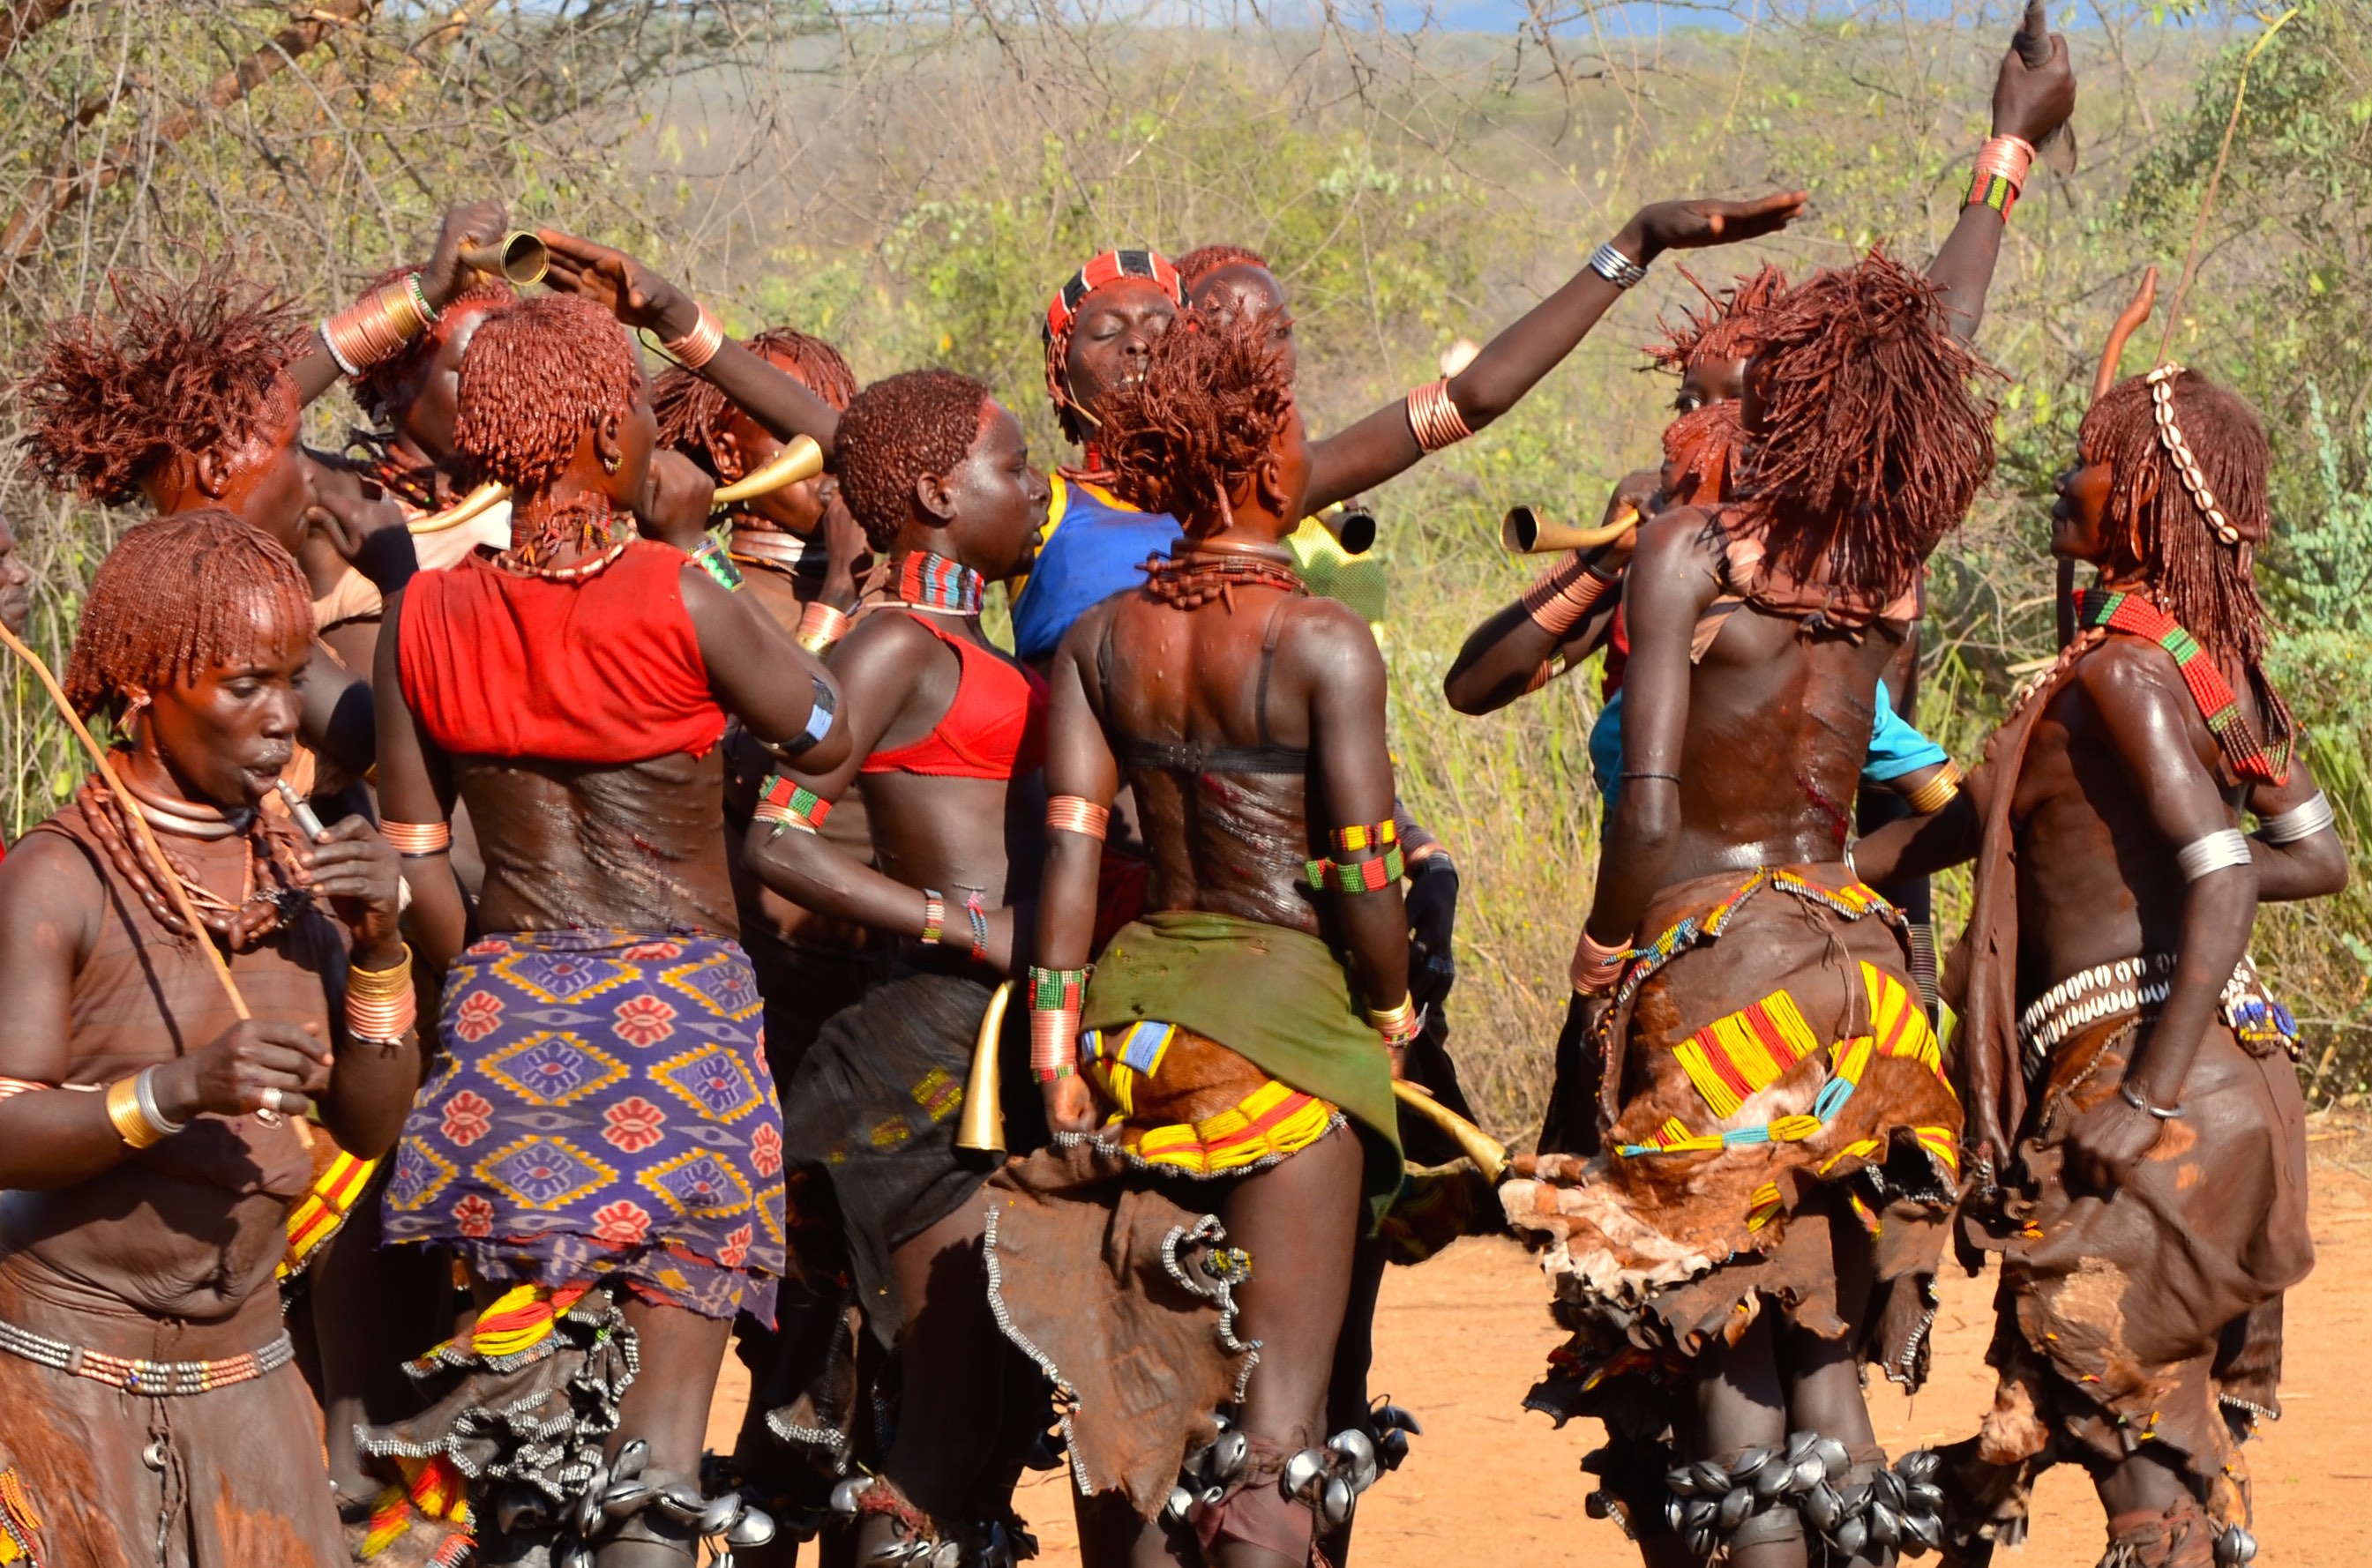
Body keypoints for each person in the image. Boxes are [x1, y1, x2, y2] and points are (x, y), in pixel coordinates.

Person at [1496, 243, 2002, 1568]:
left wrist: (1604, 961)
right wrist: (1999, 166)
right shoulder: (1886, 565)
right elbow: (1939, 339)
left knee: (1730, 1371)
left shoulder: (1691, 551)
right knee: (1823, 1368)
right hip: (1869, 985)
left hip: (1720, 979)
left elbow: (1649, 814)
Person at [1850, 286, 2344, 1568]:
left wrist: (2148, 1085)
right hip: (2184, 1082)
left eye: (2088, 462)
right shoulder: (2173, 662)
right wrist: (1816, 879)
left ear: (2138, 493)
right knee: (2083, 1436)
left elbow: (2244, 875)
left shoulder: (2128, 672)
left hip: (2156, 1097)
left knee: (2140, 1474)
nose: (2061, 482)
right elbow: (2311, 849)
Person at [360, 291, 850, 1568]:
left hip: (507, 1040)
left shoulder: (419, 616)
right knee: (656, 1460)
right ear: (593, 433)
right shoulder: (680, 595)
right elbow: (826, 726)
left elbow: (419, 869)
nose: (648, 425)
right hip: (683, 1032)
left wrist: (490, 990)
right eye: (631, 404)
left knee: (528, 1447)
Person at [981, 305, 1411, 1568]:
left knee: (1151, 1429)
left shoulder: (1107, 641)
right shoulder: (1320, 638)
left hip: (1128, 1031)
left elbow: (1069, 849)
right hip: (1281, 1035)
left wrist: (1055, 1049)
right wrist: (1386, 1009)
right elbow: (1360, 869)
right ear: (1276, 470)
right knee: (1274, 1454)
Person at [0, 511, 419, 1567]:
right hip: (64, 1366)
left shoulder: (294, 866)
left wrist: (379, 944)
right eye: (245, 686)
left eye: (293, 680)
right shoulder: (60, 874)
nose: (284, 721)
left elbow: (369, 1125)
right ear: (144, 686)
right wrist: (175, 1091)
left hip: (248, 1372)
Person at [735, 369, 1056, 1567]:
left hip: (990, 1039)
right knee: (941, 1429)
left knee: (964, 1429)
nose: (1035, 491)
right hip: (927, 1046)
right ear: (935, 490)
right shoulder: (892, 645)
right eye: (1013, 467)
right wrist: (963, 925)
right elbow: (774, 836)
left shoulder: (988, 645)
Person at [1009, 187, 1806, 668]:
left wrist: (1635, 245)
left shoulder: (1248, 498)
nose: (1143, 341)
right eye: (1107, 332)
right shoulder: (1027, 510)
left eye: (1162, 323)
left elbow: (1473, 399)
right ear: (1059, 378)